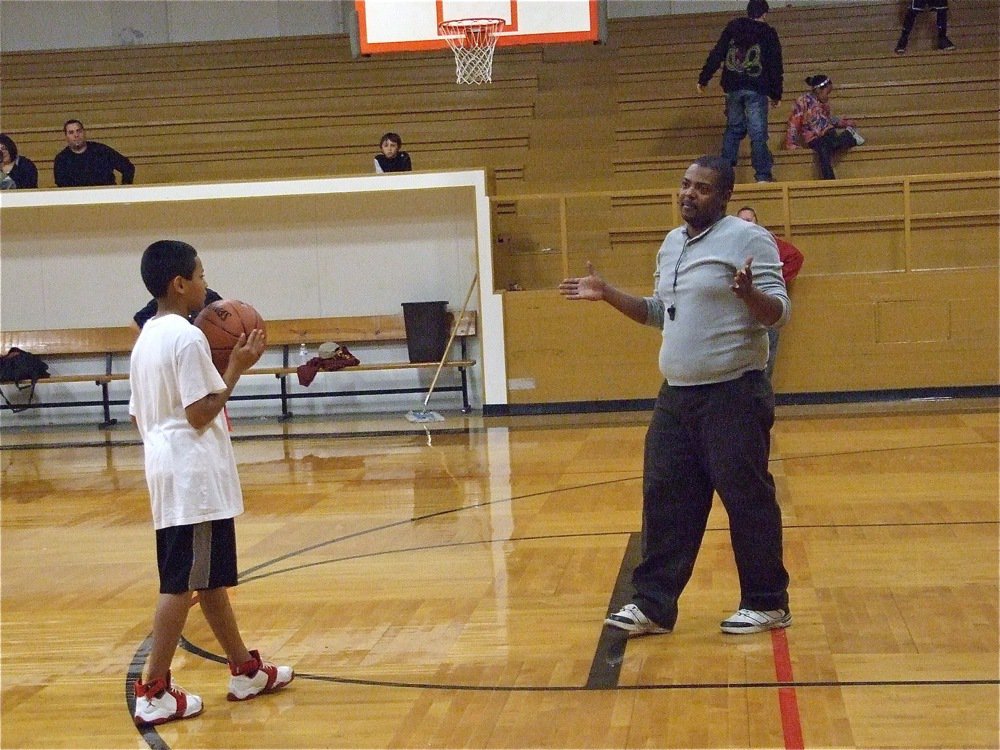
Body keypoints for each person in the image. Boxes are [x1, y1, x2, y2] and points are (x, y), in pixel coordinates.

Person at [558, 155, 791, 637]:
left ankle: (767, 602)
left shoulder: (749, 239)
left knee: (746, 499)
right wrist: (606, 293)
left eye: (702, 188)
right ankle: (654, 605)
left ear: (724, 196)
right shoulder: (671, 244)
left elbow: (779, 313)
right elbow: (659, 314)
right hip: (677, 398)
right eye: (685, 185)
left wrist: (748, 294)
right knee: (664, 498)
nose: (689, 194)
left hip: (734, 394)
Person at [129, 239, 293, 727]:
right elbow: (200, 412)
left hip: (171, 468)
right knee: (181, 583)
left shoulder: (147, 340)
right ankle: (153, 688)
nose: (206, 284)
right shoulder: (186, 337)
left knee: (211, 578)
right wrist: (236, 369)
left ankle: (245, 670)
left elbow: (144, 414)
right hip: (192, 479)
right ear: (179, 284)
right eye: (200, 275)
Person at [697, 0, 783, 183]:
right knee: (758, 133)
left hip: (733, 87)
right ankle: (762, 176)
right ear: (764, 14)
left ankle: (724, 175)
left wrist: (704, 78)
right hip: (756, 88)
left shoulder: (733, 27)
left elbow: (718, 53)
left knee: (733, 130)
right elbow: (775, 64)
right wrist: (776, 94)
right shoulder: (768, 33)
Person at [736, 206, 803, 378]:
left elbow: (795, 257)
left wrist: (778, 278)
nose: (745, 223)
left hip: (766, 300)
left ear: (757, 222)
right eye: (741, 220)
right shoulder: (730, 242)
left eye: (749, 220)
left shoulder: (766, 241)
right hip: (739, 307)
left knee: (767, 352)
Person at [785, 74, 863, 180]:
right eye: (827, 93)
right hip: (813, 138)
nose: (828, 97)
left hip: (828, 132)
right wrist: (791, 143)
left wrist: (844, 123)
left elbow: (829, 119)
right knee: (823, 149)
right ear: (818, 90)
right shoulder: (802, 101)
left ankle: (849, 135)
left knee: (830, 144)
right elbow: (794, 122)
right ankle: (849, 136)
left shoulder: (824, 104)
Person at [53, 119, 135, 187]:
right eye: (71, 132)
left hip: (105, 198)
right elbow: (62, 186)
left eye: (79, 131)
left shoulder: (102, 151)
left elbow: (128, 167)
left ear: (84, 133)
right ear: (66, 136)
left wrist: (124, 190)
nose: (76, 135)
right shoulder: (61, 159)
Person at [131, 288, 223, 331]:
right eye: (200, 277)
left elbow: (229, 321)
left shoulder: (211, 298)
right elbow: (135, 324)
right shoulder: (167, 301)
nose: (204, 283)